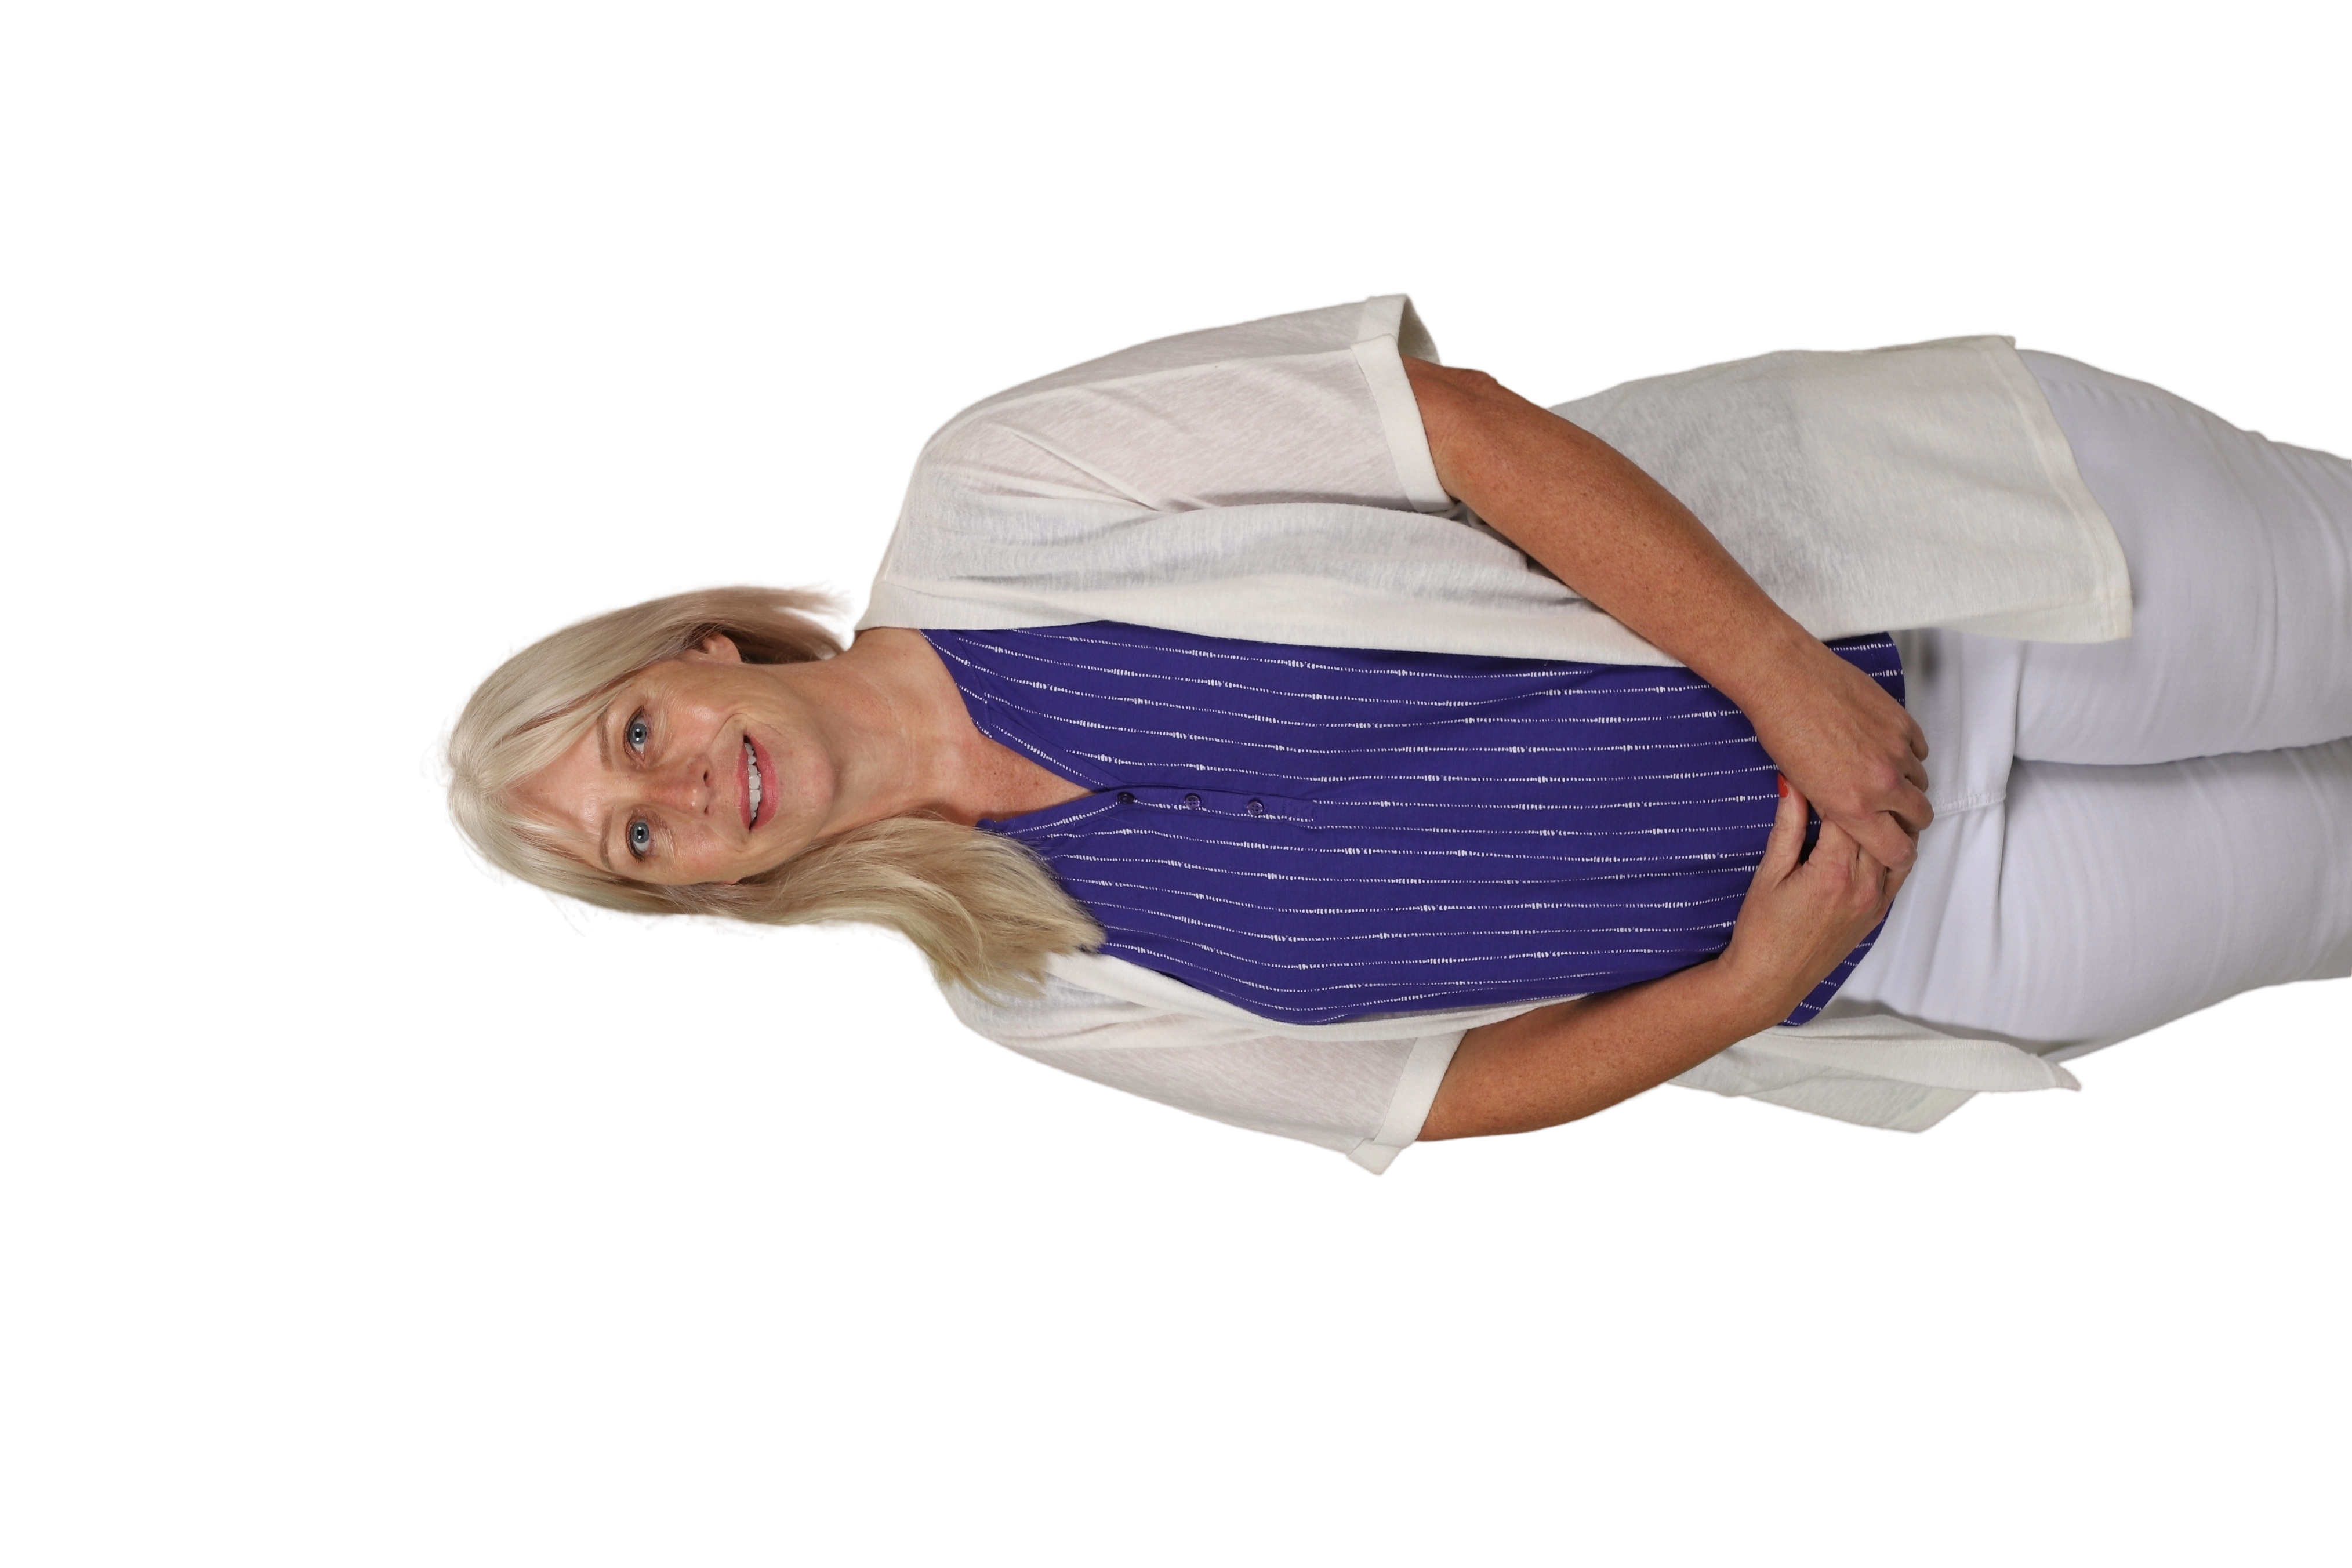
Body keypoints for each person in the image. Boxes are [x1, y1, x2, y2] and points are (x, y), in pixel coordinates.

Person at [422, 292, 2352, 1177]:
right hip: (1925, 929)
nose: (678, 789)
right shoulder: (1021, 991)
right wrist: (1752, 990)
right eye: (638, 840)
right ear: (707, 898)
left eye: (638, 731)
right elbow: (1441, 1099)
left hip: (1950, 582)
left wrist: (1783, 679)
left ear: (698, 648)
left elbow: (1457, 427)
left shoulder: (999, 486)